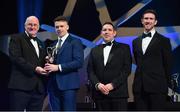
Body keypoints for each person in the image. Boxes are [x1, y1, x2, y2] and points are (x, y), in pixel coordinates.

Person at [132, 9, 173, 111]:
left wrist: (166, 86)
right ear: (142, 21)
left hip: (157, 87)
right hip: (139, 88)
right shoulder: (135, 41)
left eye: (151, 19)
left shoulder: (164, 41)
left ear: (155, 22)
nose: (148, 21)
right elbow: (139, 62)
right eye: (146, 18)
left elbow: (168, 64)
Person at [87, 22, 132, 111]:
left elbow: (126, 70)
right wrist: (98, 84)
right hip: (100, 94)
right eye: (104, 30)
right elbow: (90, 70)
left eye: (109, 30)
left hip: (118, 94)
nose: (106, 32)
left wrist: (113, 85)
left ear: (114, 33)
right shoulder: (94, 50)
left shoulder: (124, 48)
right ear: (101, 33)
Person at [44, 16, 84, 111]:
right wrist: (48, 62)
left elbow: (79, 62)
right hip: (53, 86)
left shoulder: (75, 42)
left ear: (67, 27)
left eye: (61, 26)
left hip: (68, 85)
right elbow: (52, 63)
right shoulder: (53, 45)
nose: (59, 29)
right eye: (57, 27)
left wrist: (58, 67)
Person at [8, 16, 48, 111]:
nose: (32, 27)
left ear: (38, 27)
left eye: (35, 25)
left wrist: (47, 63)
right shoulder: (16, 38)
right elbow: (16, 58)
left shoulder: (41, 43)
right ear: (25, 26)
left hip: (38, 89)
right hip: (20, 87)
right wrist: (35, 68)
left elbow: (41, 62)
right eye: (30, 24)